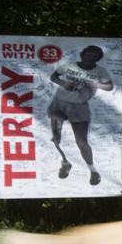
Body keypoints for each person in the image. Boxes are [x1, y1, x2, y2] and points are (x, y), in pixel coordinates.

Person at [47, 44, 115, 186]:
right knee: (56, 138)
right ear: (82, 54)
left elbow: (109, 86)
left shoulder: (100, 71)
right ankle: (65, 162)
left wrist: (95, 84)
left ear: (98, 58)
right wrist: (63, 83)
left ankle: (93, 170)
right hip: (59, 103)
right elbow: (54, 76)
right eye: (88, 54)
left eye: (94, 56)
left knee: (82, 142)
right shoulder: (70, 65)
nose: (90, 57)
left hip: (79, 107)